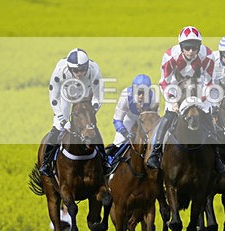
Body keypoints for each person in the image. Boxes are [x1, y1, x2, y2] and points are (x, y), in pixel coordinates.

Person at [146, 25, 225, 172]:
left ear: (199, 47)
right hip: (176, 88)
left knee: (208, 120)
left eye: (194, 48)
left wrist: (201, 100)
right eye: (187, 48)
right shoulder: (170, 56)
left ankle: (217, 156)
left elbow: (209, 81)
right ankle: (155, 153)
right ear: (181, 46)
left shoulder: (207, 56)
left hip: (199, 88)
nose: (191, 51)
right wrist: (172, 100)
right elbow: (165, 81)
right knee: (167, 118)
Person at [39, 48, 108, 178]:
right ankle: (46, 163)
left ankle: (104, 160)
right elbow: (54, 98)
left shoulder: (94, 71)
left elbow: (98, 97)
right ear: (70, 69)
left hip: (85, 95)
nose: (80, 73)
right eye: (76, 70)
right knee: (58, 127)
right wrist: (62, 119)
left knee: (91, 127)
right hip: (65, 95)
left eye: (82, 69)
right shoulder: (60, 71)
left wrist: (90, 114)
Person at [105, 74, 160, 159]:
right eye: (139, 93)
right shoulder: (125, 95)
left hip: (146, 120)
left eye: (144, 93)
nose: (141, 96)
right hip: (129, 118)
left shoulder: (154, 98)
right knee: (118, 142)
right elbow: (117, 119)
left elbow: (155, 121)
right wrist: (124, 132)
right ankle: (110, 162)